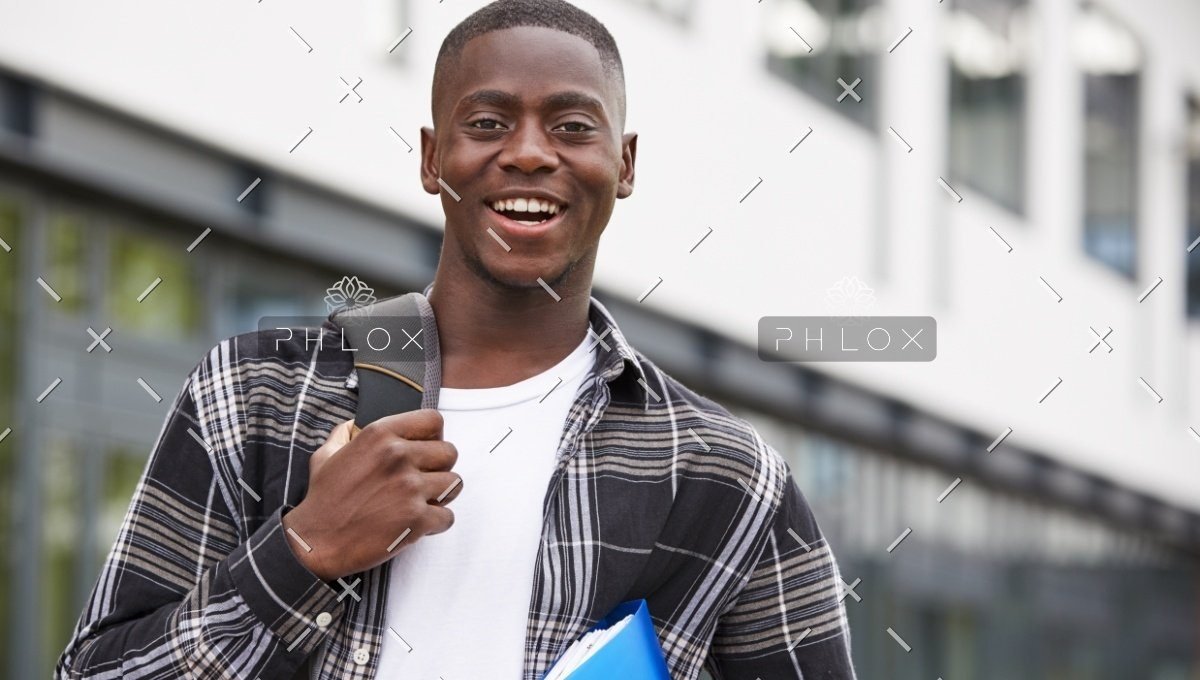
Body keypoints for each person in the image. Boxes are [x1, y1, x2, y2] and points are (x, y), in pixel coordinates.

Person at [56, 1, 858, 678]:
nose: (531, 152)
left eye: (573, 126)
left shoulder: (726, 476)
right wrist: (303, 551)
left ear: (625, 162)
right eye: (488, 122)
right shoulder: (255, 393)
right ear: (434, 159)